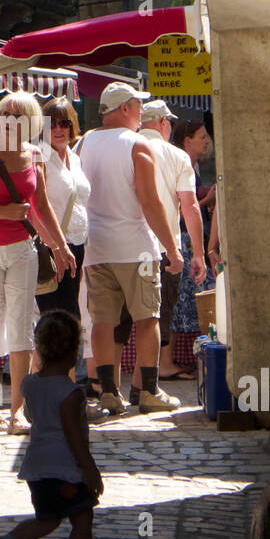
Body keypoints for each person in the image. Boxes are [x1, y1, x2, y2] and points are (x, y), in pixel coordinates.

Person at [0, 90, 74, 434]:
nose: (9, 120)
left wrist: (60, 245)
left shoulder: (35, 154)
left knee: (21, 331)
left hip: (23, 249)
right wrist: (3, 212)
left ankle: (17, 411)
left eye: (18, 116)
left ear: (31, 122)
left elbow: (41, 205)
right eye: (5, 113)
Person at [0, 310, 108, 539]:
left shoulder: (30, 385)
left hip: (37, 468)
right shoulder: (70, 393)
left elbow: (32, 415)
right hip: (64, 469)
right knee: (82, 518)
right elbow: (74, 438)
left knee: (48, 518)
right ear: (74, 352)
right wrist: (89, 468)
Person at [79, 82, 184, 419]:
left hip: (96, 245)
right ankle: (149, 390)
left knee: (103, 321)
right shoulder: (137, 144)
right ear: (124, 108)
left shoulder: (85, 142)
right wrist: (171, 248)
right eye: (138, 106)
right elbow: (150, 202)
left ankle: (108, 392)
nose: (141, 112)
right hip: (135, 247)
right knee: (147, 317)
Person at [124, 99, 206, 399]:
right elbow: (190, 205)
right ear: (164, 124)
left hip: (120, 247)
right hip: (162, 248)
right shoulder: (176, 156)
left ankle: (104, 388)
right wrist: (197, 252)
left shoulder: (122, 147)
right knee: (155, 316)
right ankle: (142, 386)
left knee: (119, 319)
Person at [36, 96, 91, 321]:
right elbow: (34, 207)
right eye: (52, 124)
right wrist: (55, 247)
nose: (58, 129)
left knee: (69, 318)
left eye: (64, 123)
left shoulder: (74, 159)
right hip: (52, 249)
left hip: (77, 246)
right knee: (56, 321)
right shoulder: (39, 156)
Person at [171, 119, 216, 339]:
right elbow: (182, 209)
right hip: (185, 239)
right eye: (202, 137)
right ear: (188, 141)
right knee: (186, 294)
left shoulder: (193, 167)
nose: (207, 141)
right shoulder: (183, 165)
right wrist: (208, 199)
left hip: (191, 240)